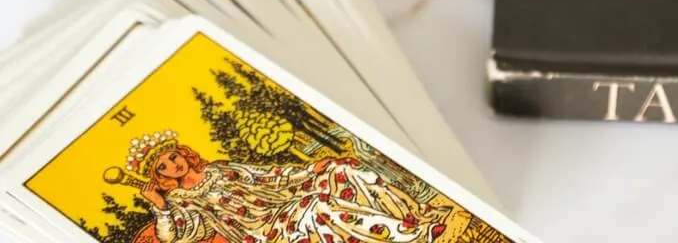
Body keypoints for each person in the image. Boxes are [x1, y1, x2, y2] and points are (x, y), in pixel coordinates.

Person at [121, 131, 449, 243]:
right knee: (318, 205)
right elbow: (175, 237)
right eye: (163, 166)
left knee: (341, 169)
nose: (173, 165)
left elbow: (269, 177)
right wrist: (160, 207)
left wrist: (311, 169)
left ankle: (415, 216)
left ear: (183, 153)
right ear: (160, 176)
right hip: (266, 233)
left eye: (173, 156)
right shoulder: (182, 202)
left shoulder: (219, 169)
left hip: (284, 203)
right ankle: (407, 237)